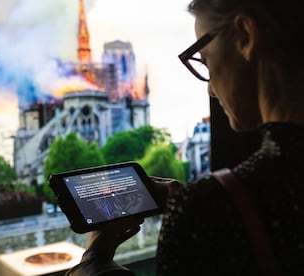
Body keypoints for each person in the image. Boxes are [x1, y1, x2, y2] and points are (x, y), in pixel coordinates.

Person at [66, 0, 304, 274]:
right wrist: (191, 197)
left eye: (205, 60)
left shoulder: (202, 209)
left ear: (245, 36)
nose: (210, 90)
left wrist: (94, 257)